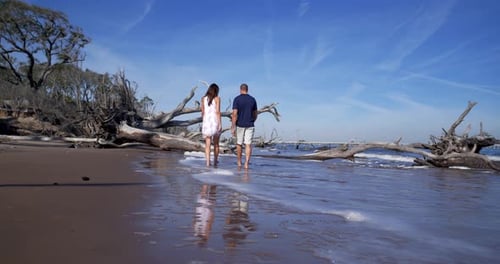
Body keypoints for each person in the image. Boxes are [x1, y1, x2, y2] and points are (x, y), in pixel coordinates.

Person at [231, 83, 258, 169]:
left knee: (239, 144)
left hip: (240, 124)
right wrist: (253, 120)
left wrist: (233, 125)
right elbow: (255, 113)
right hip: (250, 124)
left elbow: (234, 114)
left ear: (240, 89)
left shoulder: (237, 99)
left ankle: (239, 162)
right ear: (247, 89)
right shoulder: (253, 99)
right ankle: (246, 163)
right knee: (248, 144)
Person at [201, 83, 222, 167]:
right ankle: (215, 161)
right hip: (214, 122)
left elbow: (202, 112)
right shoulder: (217, 98)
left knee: (207, 144)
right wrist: (220, 124)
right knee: (216, 144)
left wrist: (204, 121)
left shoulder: (203, 99)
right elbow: (218, 112)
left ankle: (207, 162)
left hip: (206, 122)